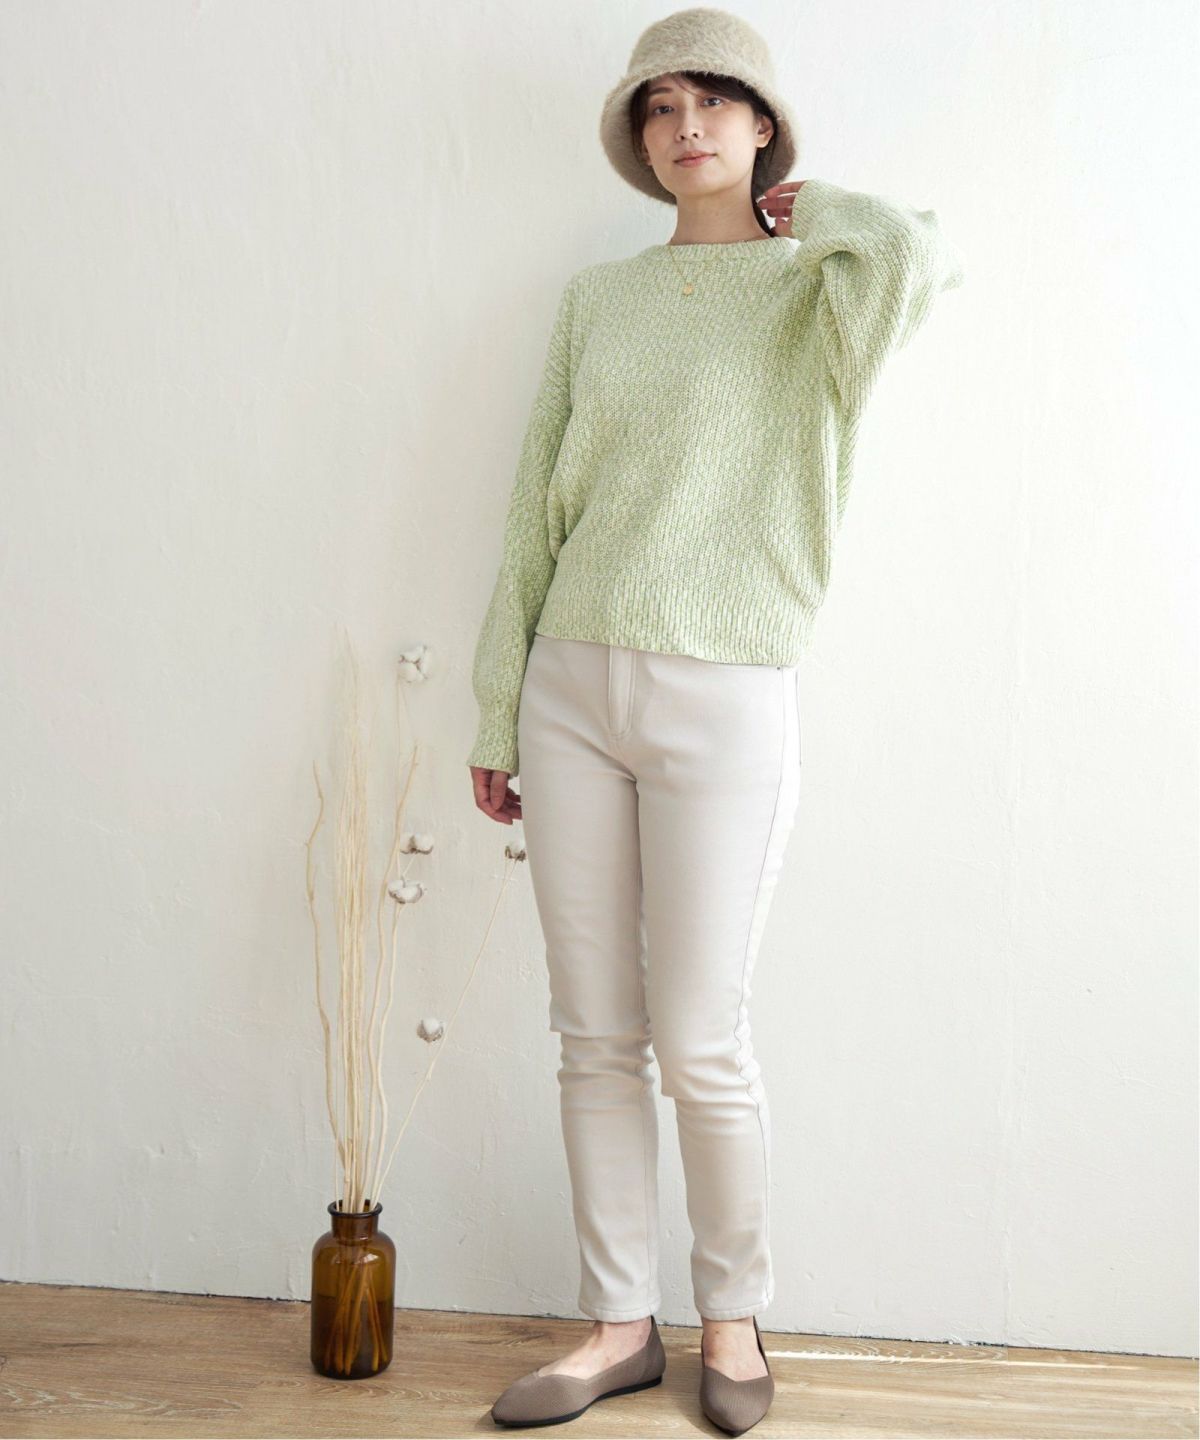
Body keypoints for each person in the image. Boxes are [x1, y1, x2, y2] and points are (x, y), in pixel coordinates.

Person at [468, 7, 966, 1432]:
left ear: (761, 125)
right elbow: (533, 508)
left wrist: (812, 209)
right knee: (593, 1033)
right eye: (659, 106)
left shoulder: (822, 299)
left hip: (727, 685)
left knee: (702, 1038)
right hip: (572, 684)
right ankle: (618, 1325)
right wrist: (500, 706)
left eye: (714, 101)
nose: (684, 125)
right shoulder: (597, 301)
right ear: (640, 138)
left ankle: (732, 1319)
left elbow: (919, 258)